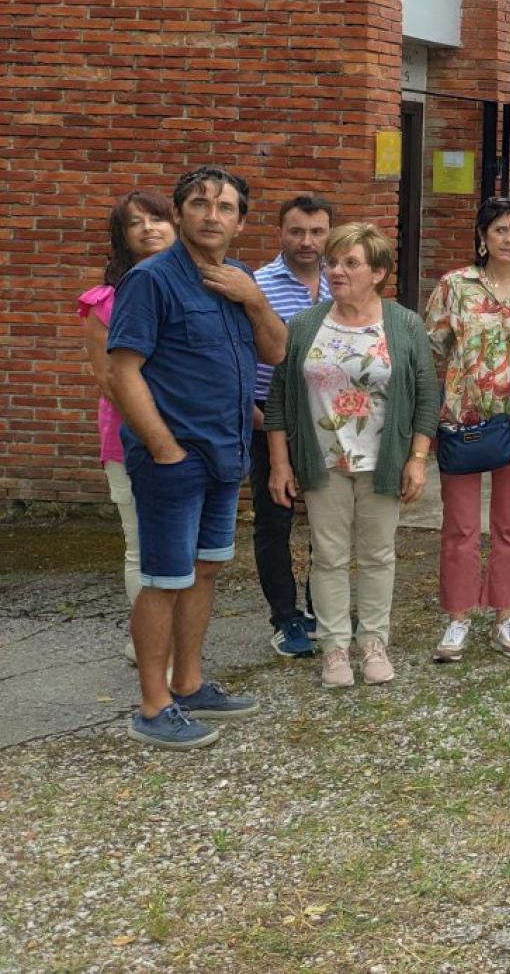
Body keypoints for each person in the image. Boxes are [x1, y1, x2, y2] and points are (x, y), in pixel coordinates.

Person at [105, 165, 287, 749]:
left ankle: (189, 683)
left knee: (204, 570)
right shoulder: (151, 281)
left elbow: (276, 350)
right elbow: (123, 371)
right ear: (179, 213)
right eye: (201, 203)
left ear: (240, 221)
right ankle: (153, 706)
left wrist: (255, 299)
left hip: (224, 454)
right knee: (163, 578)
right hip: (173, 460)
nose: (213, 214)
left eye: (226, 206)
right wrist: (161, 446)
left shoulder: (237, 278)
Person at [263, 223, 436, 689]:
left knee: (379, 555)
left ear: (378, 272)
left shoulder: (403, 324)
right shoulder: (303, 326)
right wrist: (280, 464)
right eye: (333, 263)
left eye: (350, 263)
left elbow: (425, 395)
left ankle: (374, 642)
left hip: (383, 461)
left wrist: (417, 458)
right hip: (322, 462)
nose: (337, 271)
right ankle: (335, 648)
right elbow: (279, 400)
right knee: (328, 557)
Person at [424, 196, 510, 662]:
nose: (508, 239)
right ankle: (458, 616)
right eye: (500, 229)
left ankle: (504, 614)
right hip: (462, 421)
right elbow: (433, 348)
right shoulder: (454, 286)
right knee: (460, 525)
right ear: (483, 236)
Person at [78, 190, 178, 663]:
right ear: (122, 238)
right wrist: (156, 431)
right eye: (135, 223)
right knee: (142, 547)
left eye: (157, 218)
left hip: (193, 439)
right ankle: (147, 641)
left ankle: (181, 637)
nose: (148, 228)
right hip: (129, 441)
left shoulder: (198, 287)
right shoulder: (105, 304)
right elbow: (110, 379)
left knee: (190, 548)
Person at [250, 194, 334, 659]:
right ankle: (285, 617)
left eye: (317, 232)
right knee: (275, 519)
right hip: (269, 416)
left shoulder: (340, 283)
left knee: (329, 518)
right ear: (280, 232)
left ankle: (320, 607)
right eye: (297, 231)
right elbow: (237, 356)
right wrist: (254, 414)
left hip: (328, 419)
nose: (307, 241)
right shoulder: (257, 285)